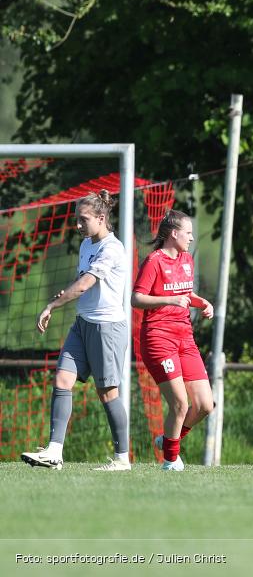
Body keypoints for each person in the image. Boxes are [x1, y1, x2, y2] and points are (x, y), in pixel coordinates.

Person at [21, 190, 131, 471]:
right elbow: (79, 280)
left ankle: (122, 460)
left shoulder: (112, 248)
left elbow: (85, 285)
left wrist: (51, 305)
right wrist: (67, 291)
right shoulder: (86, 245)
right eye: (77, 220)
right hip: (82, 324)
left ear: (101, 218)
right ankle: (54, 452)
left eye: (83, 220)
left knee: (108, 393)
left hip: (107, 327)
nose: (78, 225)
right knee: (62, 379)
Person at [132, 210, 214, 471]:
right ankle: (170, 461)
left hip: (185, 338)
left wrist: (203, 303)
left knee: (204, 405)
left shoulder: (186, 259)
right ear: (173, 233)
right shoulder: (153, 262)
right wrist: (169, 300)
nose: (191, 238)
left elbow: (186, 293)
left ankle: (168, 441)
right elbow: (136, 298)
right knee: (180, 404)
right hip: (159, 338)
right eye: (188, 233)